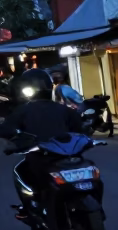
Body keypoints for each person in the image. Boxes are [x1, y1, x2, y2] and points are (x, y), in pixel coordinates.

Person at [0, 69, 85, 220]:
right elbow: (80, 129)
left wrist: (14, 140)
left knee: (22, 172)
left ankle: (30, 206)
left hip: (44, 156)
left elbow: (6, 130)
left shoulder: (23, 111)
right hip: (66, 155)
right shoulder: (63, 109)